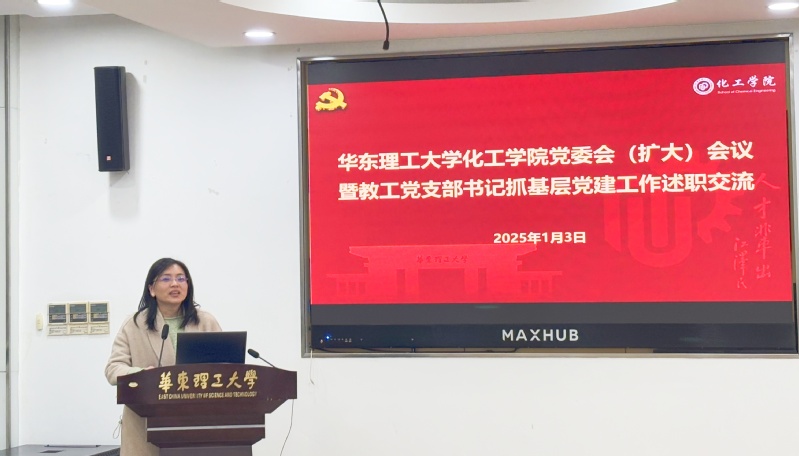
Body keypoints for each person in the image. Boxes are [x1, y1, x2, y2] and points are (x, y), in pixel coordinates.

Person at [105, 258, 222, 456]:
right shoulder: (134, 324)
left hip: (196, 421)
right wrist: (142, 373)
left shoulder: (205, 321)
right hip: (147, 423)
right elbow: (113, 369)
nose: (175, 284)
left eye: (181, 279)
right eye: (166, 279)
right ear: (152, 289)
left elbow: (226, 365)